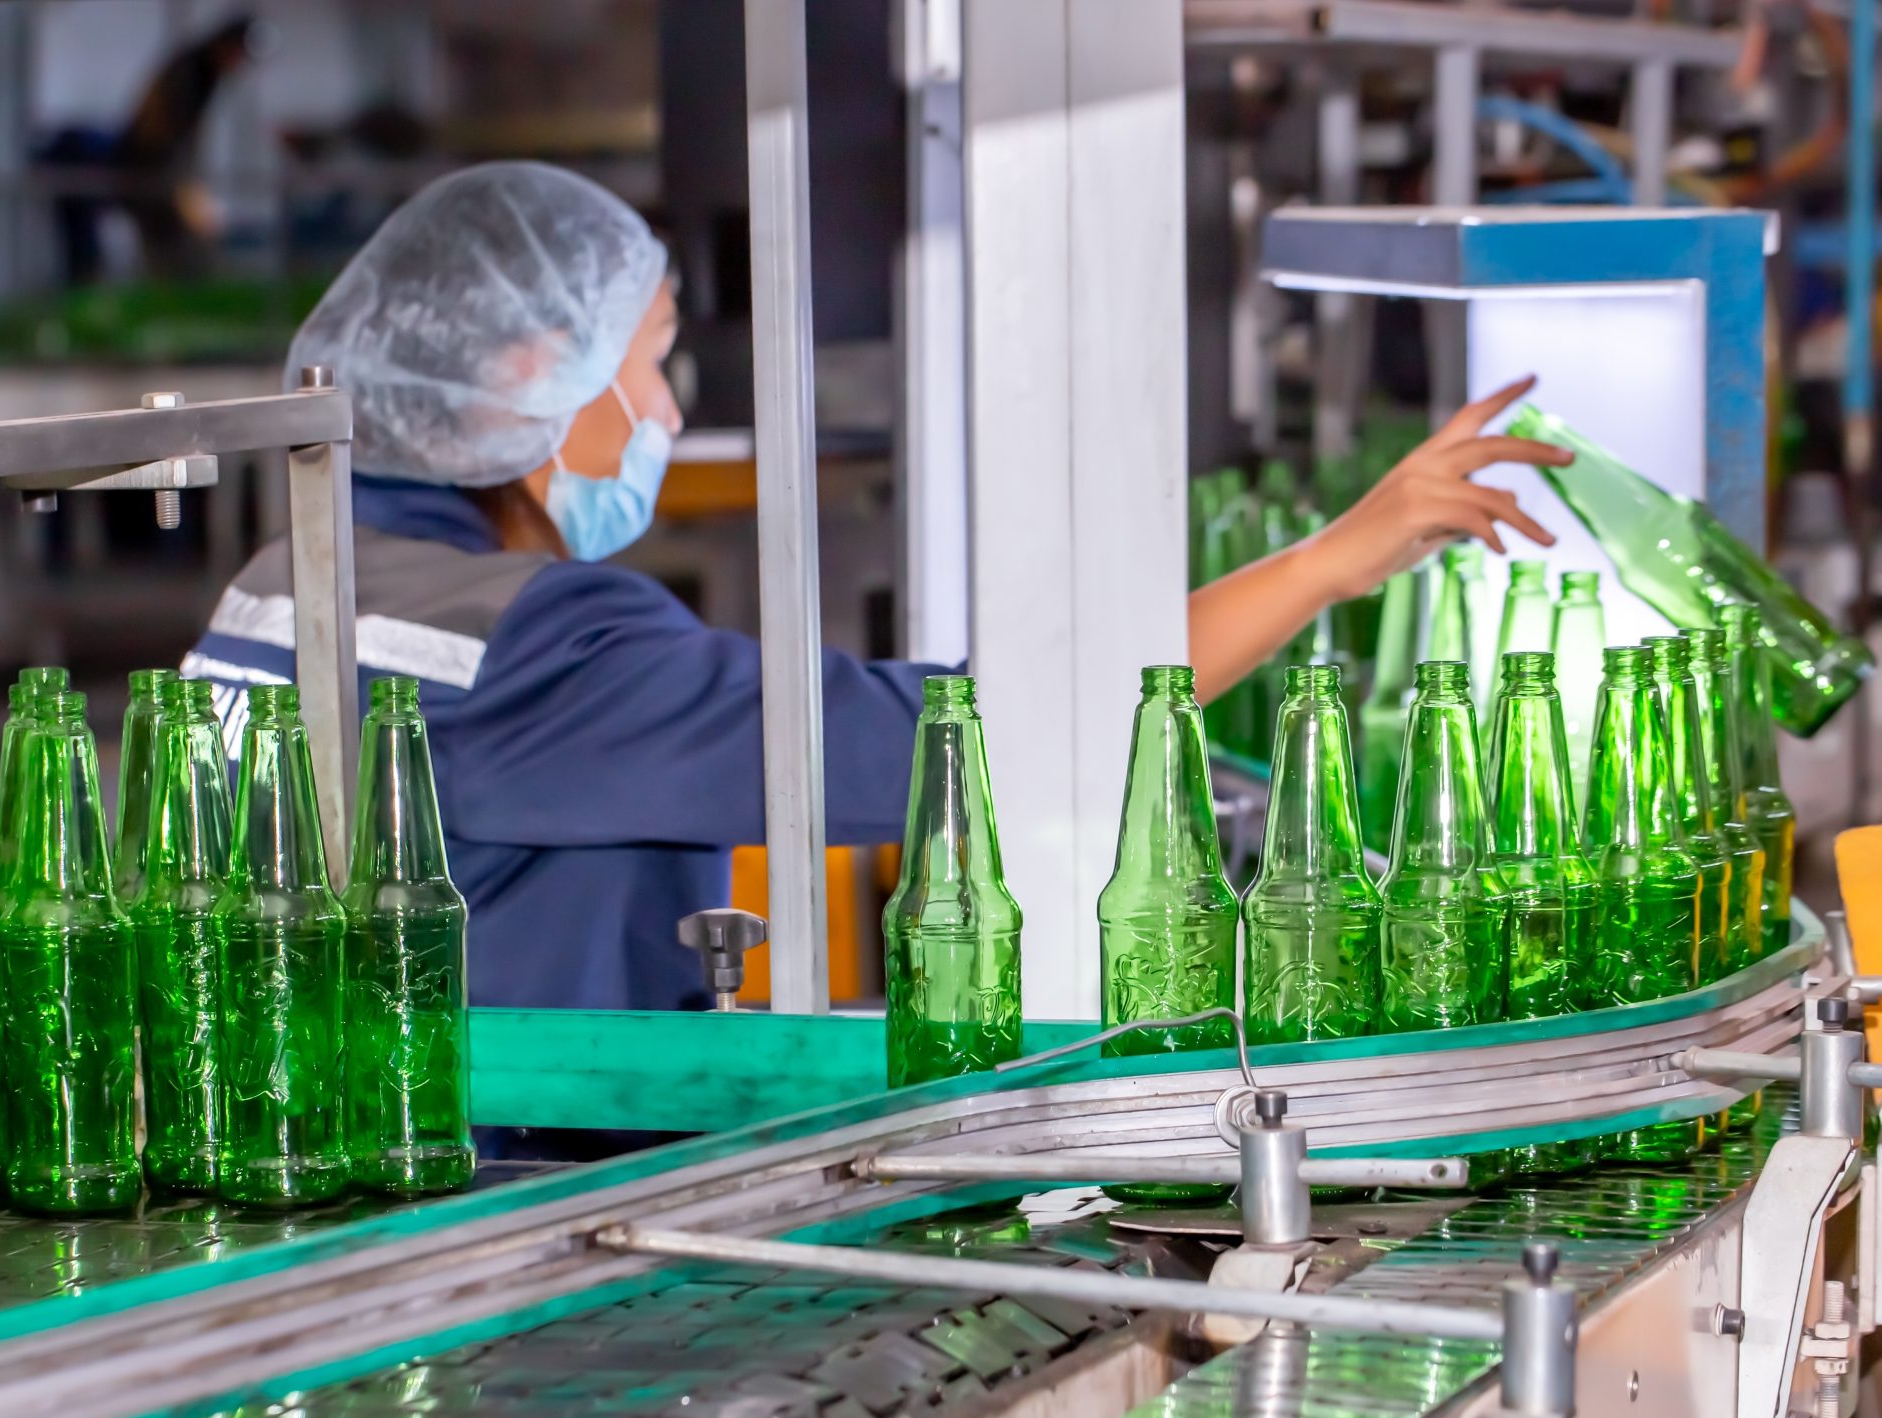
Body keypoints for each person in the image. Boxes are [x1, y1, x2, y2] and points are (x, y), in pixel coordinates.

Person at [181, 162, 1571, 1011]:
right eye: (651, 361)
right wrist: (1342, 555)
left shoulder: (289, 583)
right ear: (524, 374)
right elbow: (970, 740)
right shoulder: (535, 647)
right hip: (484, 1214)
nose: (666, 410)